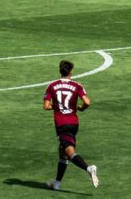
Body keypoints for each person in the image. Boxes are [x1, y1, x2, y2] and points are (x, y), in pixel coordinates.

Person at [43, 59, 99, 190]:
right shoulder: (77, 85)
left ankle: (89, 168)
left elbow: (46, 106)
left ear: (60, 70)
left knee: (69, 153)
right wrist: (81, 108)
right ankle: (56, 183)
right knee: (62, 152)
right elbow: (87, 102)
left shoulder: (52, 86)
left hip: (62, 124)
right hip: (74, 123)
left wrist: (56, 106)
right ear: (71, 71)